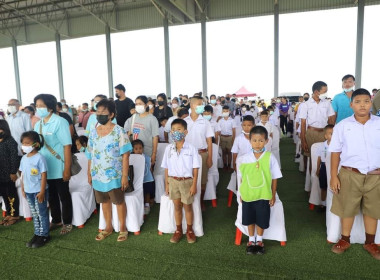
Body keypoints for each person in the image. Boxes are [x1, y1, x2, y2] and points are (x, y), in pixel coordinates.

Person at [329, 88, 380, 260]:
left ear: (371, 103)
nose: (362, 105)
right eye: (358, 102)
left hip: (376, 176)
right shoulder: (342, 126)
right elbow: (335, 152)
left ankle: (371, 242)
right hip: (350, 174)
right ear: (351, 105)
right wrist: (334, 176)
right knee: (347, 208)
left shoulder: (379, 124)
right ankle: (345, 239)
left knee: (373, 209)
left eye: (366, 101)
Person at [87, 99, 132, 242]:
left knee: (118, 202)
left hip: (115, 174)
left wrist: (125, 176)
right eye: (98, 112)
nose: (99, 114)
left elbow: (125, 155)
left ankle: (123, 228)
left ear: (111, 114)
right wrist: (89, 173)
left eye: (103, 112)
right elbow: (90, 155)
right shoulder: (93, 132)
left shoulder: (119, 131)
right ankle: (108, 227)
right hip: (97, 174)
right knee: (104, 202)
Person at [238, 126, 282, 255]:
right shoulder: (244, 158)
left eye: (261, 140)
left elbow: (275, 178)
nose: (258, 144)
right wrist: (241, 193)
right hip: (248, 195)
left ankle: (260, 240)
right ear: (250, 141)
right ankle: (251, 240)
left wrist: (273, 195)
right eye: (255, 140)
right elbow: (242, 179)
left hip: (263, 195)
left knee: (262, 219)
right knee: (249, 218)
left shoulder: (270, 157)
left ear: (267, 141)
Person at [34, 94, 73, 235]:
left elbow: (67, 146)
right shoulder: (38, 124)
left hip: (59, 166)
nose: (38, 109)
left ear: (50, 107)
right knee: (51, 196)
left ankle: (67, 222)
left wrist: (67, 169)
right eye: (37, 106)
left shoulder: (60, 122)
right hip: (44, 167)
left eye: (41, 106)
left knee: (63, 195)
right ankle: (56, 220)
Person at [161, 119, 200, 244]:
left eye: (179, 129)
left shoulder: (191, 148)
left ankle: (189, 230)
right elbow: (166, 168)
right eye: (173, 130)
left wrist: (194, 185)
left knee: (188, 207)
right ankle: (178, 230)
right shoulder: (168, 149)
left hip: (187, 182)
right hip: (173, 181)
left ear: (186, 132)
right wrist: (167, 184)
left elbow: (195, 168)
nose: (175, 132)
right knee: (177, 206)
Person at [19, 131, 49, 248]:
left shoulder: (40, 158)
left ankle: (45, 235)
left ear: (36, 144)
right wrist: (23, 189)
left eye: (27, 143)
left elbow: (44, 175)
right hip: (28, 191)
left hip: (39, 191)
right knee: (35, 213)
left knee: (42, 213)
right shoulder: (24, 158)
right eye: (23, 143)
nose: (24, 145)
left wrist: (42, 192)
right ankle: (37, 233)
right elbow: (22, 175)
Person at [184, 96, 213, 211]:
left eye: (202, 104)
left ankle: (200, 201)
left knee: (202, 180)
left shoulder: (205, 122)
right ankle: (188, 201)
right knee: (188, 178)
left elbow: (209, 141)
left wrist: (210, 157)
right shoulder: (185, 121)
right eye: (199, 104)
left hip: (202, 154)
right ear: (192, 105)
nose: (202, 106)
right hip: (188, 154)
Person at [299, 81, 335, 160]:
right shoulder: (306, 104)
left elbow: (331, 119)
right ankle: (311, 172)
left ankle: (321, 172)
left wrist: (332, 134)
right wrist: (303, 140)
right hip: (311, 133)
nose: (326, 94)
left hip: (324, 133)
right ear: (316, 92)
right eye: (324, 91)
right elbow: (303, 123)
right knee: (311, 158)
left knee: (325, 157)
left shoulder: (327, 103)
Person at [125, 96, 159, 165]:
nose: (138, 106)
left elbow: (155, 137)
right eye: (136, 104)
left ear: (146, 105)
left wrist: (154, 154)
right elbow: (128, 132)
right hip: (134, 152)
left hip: (147, 152)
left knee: (147, 173)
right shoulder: (133, 117)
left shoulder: (152, 119)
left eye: (140, 104)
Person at [0, 120, 20, 226]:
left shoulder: (10, 141)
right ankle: (9, 213)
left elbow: (14, 158)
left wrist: (13, 172)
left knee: (11, 194)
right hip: (0, 174)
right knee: (4, 194)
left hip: (9, 173)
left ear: (4, 129)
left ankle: (14, 215)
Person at [132, 140, 154, 215]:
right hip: (138, 180)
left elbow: (150, 168)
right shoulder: (132, 158)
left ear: (143, 148)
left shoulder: (147, 158)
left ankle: (147, 205)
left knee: (147, 192)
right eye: (136, 149)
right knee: (140, 192)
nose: (138, 150)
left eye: (140, 148)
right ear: (133, 150)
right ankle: (141, 204)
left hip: (147, 179)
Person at [315, 125, 334, 211]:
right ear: (325, 136)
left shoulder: (337, 146)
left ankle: (331, 204)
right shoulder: (322, 146)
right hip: (323, 167)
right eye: (331, 134)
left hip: (333, 167)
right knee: (323, 186)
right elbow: (319, 158)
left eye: (334, 133)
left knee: (332, 186)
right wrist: (318, 168)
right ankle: (323, 203)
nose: (333, 136)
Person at [218, 106, 237, 171]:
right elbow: (219, 131)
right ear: (222, 112)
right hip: (222, 137)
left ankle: (229, 165)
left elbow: (234, 131)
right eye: (224, 111)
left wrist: (233, 140)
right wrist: (219, 140)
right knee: (223, 152)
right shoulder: (220, 121)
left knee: (229, 152)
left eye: (227, 111)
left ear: (229, 112)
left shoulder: (232, 120)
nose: (225, 112)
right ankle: (224, 165)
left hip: (230, 137)